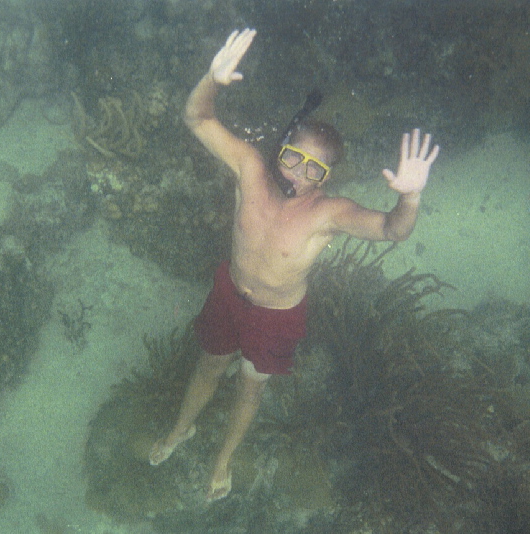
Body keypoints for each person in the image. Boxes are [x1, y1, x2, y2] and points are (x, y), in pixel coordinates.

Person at [148, 28, 440, 503]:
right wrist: (212, 79)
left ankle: (222, 461)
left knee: (249, 389)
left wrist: (411, 196)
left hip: (278, 316)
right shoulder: (249, 169)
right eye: (293, 158)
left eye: (314, 170)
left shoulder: (328, 213)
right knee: (208, 366)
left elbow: (392, 230)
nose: (297, 175)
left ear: (327, 178)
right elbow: (196, 116)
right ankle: (179, 431)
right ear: (280, 149)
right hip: (228, 292)